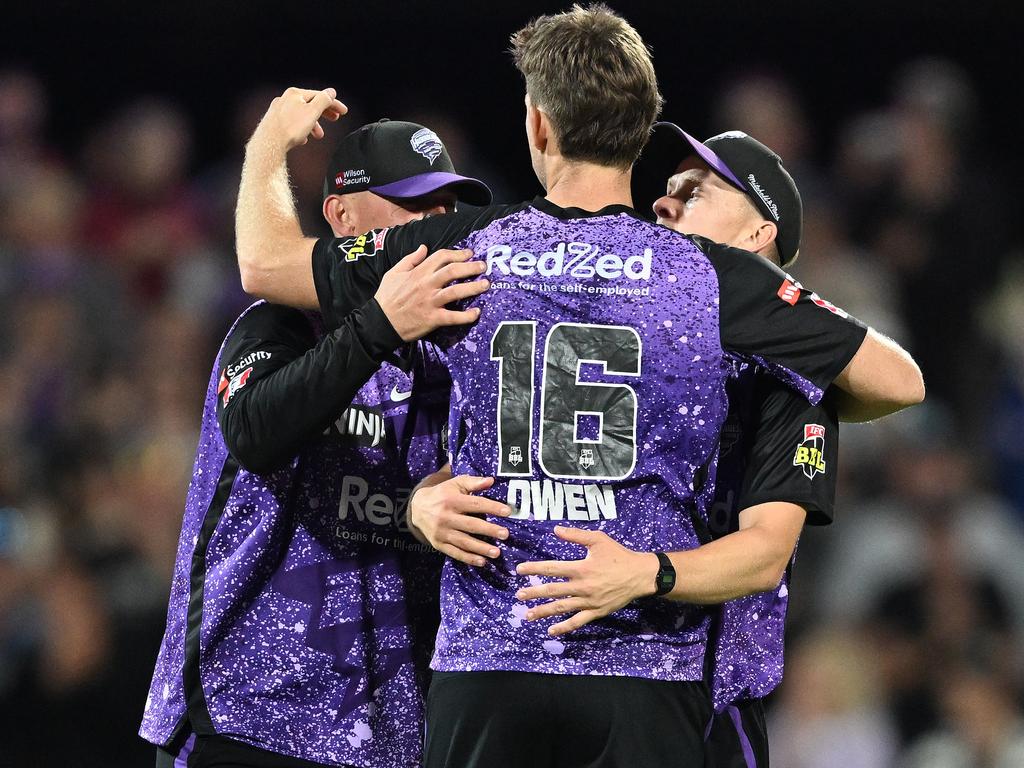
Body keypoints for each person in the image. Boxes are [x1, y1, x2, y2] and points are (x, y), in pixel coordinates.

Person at [233, 8, 922, 767]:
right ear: (640, 132)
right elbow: (900, 381)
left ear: (537, 127)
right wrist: (807, 374)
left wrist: (269, 144)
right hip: (644, 670)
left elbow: (265, 266)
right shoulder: (709, 277)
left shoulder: (465, 244)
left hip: (488, 660)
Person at [140, 118, 495, 768]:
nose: (434, 224)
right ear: (342, 217)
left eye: (445, 208)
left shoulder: (451, 363)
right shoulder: (279, 325)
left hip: (382, 735)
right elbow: (253, 433)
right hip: (246, 713)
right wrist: (378, 325)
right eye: (414, 205)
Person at [504, 124, 847, 768]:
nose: (664, 204)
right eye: (666, 190)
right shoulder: (612, 328)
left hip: (705, 701)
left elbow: (764, 556)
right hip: (548, 669)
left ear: (757, 236)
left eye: (694, 192)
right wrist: (424, 501)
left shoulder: (790, 380)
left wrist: (643, 573)